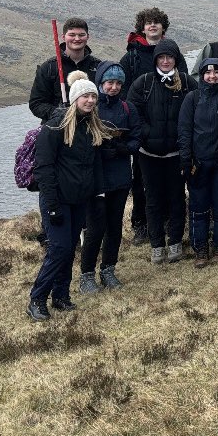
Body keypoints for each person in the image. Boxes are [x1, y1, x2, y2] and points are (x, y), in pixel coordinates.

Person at [27, 71, 109, 321]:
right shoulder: (55, 126)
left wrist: (97, 194)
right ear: (74, 99)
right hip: (58, 200)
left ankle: (61, 296)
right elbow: (44, 168)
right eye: (85, 96)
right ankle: (37, 299)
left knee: (69, 248)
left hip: (79, 199)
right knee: (59, 249)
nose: (90, 100)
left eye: (93, 96)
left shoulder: (90, 126)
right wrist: (51, 205)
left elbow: (92, 166)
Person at [121, 7, 188, 246]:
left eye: (156, 23)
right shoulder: (132, 57)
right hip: (145, 138)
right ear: (142, 26)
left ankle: (171, 223)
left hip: (172, 137)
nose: (152, 26)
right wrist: (141, 131)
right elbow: (126, 97)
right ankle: (141, 224)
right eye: (148, 23)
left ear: (163, 27)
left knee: (173, 185)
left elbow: (188, 96)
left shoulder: (174, 54)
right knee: (140, 183)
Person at [127, 37, 197, 265]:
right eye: (162, 57)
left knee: (177, 198)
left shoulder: (187, 83)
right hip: (149, 155)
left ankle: (175, 241)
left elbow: (196, 113)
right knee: (153, 199)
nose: (166, 61)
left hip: (177, 154)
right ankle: (157, 244)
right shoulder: (143, 83)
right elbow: (133, 114)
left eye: (170, 57)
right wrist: (147, 134)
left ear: (176, 59)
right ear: (156, 59)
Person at [78, 62, 141, 293]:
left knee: (114, 226)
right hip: (96, 178)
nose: (113, 87)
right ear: (100, 83)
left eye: (117, 83)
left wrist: (122, 149)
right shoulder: (91, 108)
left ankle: (108, 270)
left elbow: (137, 138)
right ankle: (86, 275)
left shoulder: (128, 109)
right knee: (95, 228)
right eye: (109, 82)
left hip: (121, 177)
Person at [178, 57, 218, 267]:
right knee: (198, 208)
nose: (212, 76)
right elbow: (184, 131)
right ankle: (200, 249)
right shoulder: (192, 98)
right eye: (208, 73)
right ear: (201, 75)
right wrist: (185, 159)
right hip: (198, 163)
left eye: (217, 72)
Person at [29, 17, 101, 122]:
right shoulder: (48, 68)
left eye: (81, 35)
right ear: (63, 37)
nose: (77, 39)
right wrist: (59, 113)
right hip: (57, 129)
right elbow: (36, 104)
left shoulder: (98, 66)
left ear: (88, 37)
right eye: (72, 35)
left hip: (91, 127)